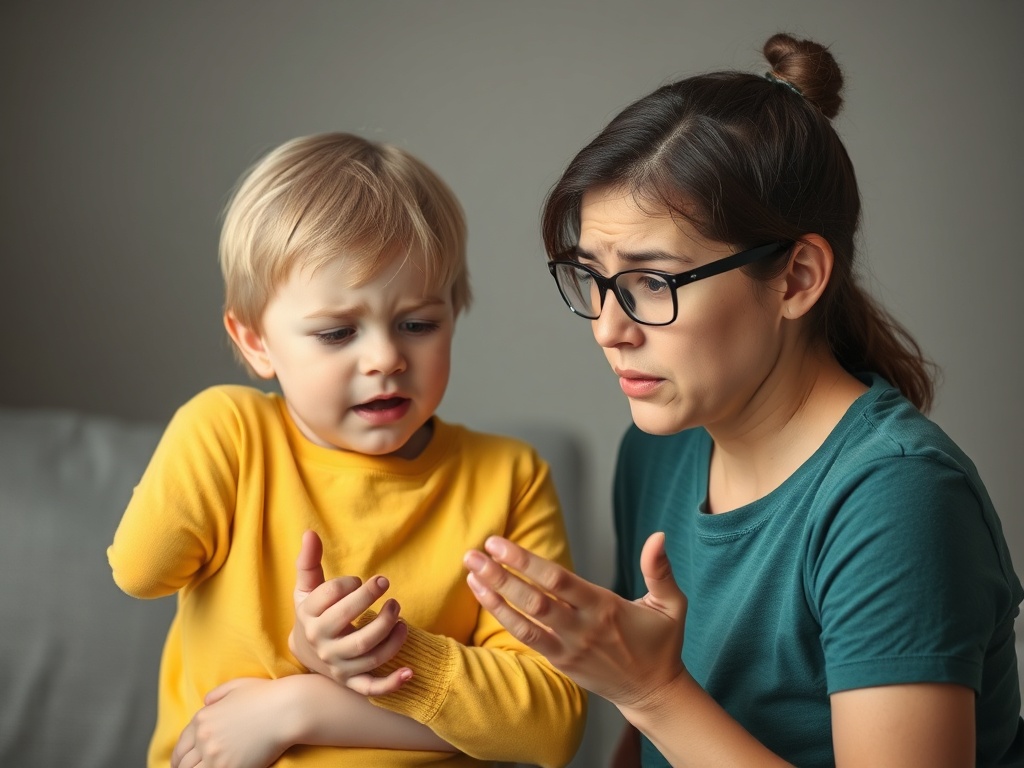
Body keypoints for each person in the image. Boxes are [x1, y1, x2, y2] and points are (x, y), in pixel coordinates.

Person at [462, 32, 1024, 767]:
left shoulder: (897, 497)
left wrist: (652, 688)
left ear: (796, 278)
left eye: (651, 281)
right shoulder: (659, 447)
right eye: (591, 277)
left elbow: (661, 707)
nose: (608, 328)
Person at [107, 132, 585, 768]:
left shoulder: (510, 477)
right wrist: (205, 425)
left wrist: (303, 702)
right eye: (336, 333)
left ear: (454, 314)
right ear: (254, 343)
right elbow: (140, 572)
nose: (386, 358)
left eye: (418, 324)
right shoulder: (231, 435)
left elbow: (549, 726)